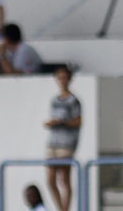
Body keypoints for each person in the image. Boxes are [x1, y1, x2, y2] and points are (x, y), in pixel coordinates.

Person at [44, 66, 81, 211]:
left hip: (66, 143)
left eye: (64, 77)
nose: (62, 81)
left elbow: (78, 121)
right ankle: (60, 208)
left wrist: (62, 122)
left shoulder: (73, 100)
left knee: (64, 179)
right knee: (50, 180)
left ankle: (66, 208)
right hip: (53, 142)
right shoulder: (55, 100)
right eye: (59, 77)